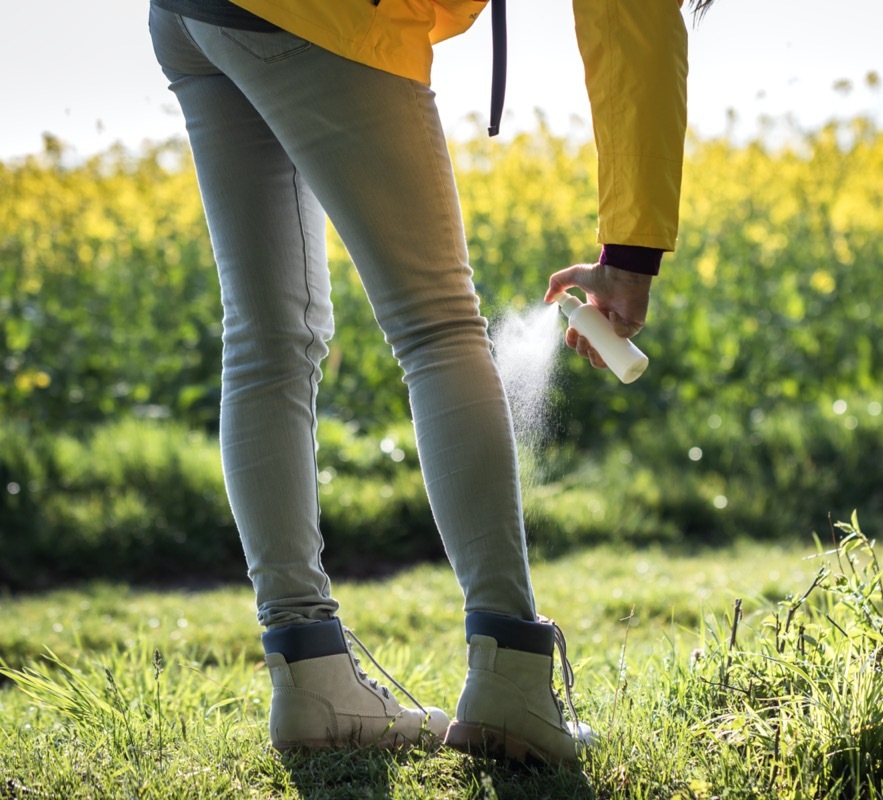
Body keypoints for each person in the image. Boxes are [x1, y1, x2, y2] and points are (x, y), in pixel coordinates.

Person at [147, 0, 703, 765]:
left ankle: (309, 676)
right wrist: (632, 254)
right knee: (438, 329)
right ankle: (509, 675)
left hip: (193, 15)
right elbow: (630, 18)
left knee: (267, 339)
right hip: (321, 16)